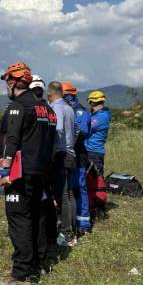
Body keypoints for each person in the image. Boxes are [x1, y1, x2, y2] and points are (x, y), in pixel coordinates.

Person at [0, 63, 56, 285]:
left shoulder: (18, 107)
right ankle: (36, 265)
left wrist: (4, 170)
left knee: (19, 220)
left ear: (12, 82)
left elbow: (11, 141)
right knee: (36, 218)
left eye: (7, 83)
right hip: (41, 172)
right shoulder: (46, 109)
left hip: (21, 174)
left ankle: (21, 273)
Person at [47, 81, 77, 247]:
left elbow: (57, 129)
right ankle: (71, 229)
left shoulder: (57, 108)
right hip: (70, 153)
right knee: (69, 194)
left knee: (62, 196)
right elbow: (76, 129)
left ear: (50, 95)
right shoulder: (69, 108)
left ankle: (65, 232)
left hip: (60, 155)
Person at [63, 82, 92, 233]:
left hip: (78, 154)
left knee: (79, 187)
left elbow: (82, 132)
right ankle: (71, 220)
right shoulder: (67, 109)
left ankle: (83, 223)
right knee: (68, 189)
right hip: (68, 154)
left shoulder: (79, 111)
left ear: (68, 95)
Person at [84, 90, 111, 219]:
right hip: (93, 152)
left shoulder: (99, 117)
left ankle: (99, 209)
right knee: (92, 181)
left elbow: (85, 128)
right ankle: (94, 206)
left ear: (91, 102)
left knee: (96, 182)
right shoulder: (102, 115)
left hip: (93, 153)